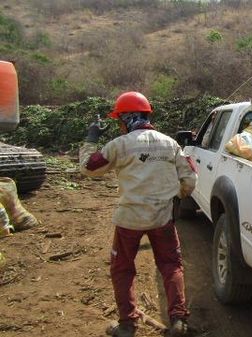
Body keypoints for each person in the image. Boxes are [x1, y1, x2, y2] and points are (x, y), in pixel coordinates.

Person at [79, 91, 198, 337]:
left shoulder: (119, 145)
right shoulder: (170, 144)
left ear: (125, 118)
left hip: (129, 220)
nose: (119, 125)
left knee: (122, 269)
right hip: (162, 218)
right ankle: (178, 321)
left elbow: (89, 168)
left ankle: (127, 326)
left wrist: (91, 139)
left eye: (119, 120)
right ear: (145, 115)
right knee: (171, 265)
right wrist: (177, 195)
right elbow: (189, 179)